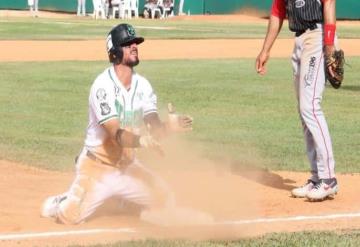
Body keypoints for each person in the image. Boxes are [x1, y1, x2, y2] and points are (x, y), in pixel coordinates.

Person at [40, 23, 193, 224]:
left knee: (165, 200)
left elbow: (153, 127)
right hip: (98, 167)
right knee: (70, 217)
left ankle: (122, 199)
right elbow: (115, 134)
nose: (134, 46)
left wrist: (168, 127)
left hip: (127, 167)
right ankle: (61, 201)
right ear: (114, 52)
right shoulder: (102, 87)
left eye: (135, 43)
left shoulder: (143, 86)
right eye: (128, 44)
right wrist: (143, 141)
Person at [255, 0, 339, 201]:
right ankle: (317, 176)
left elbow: (329, 4)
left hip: (318, 36)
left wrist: (329, 47)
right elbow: (277, 12)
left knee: (310, 107)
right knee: (304, 111)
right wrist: (265, 49)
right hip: (300, 40)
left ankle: (328, 179)